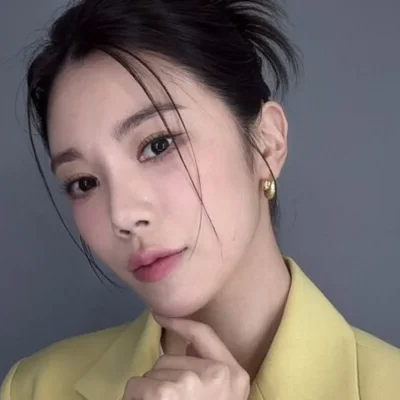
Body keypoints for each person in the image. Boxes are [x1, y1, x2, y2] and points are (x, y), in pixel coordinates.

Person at [1, 0, 399, 399]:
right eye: (84, 182)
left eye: (158, 145)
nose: (122, 215)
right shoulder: (35, 389)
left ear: (266, 143)